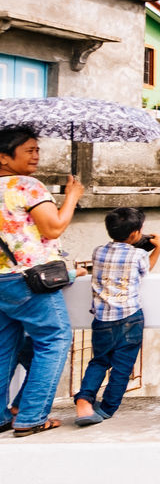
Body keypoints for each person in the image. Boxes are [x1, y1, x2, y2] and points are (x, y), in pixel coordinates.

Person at [0, 125, 82, 437]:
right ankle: (31, 416)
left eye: (37, 149)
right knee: (54, 339)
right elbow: (54, 228)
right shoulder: (26, 186)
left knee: (4, 348)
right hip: (28, 280)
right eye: (29, 150)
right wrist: (72, 196)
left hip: (2, 280)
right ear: (5, 158)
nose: (36, 155)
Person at [73, 207, 160, 426]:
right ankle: (106, 409)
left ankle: (84, 401)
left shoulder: (98, 251)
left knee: (99, 361)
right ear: (135, 234)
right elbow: (146, 270)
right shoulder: (139, 254)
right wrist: (158, 248)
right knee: (122, 366)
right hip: (130, 317)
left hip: (103, 319)